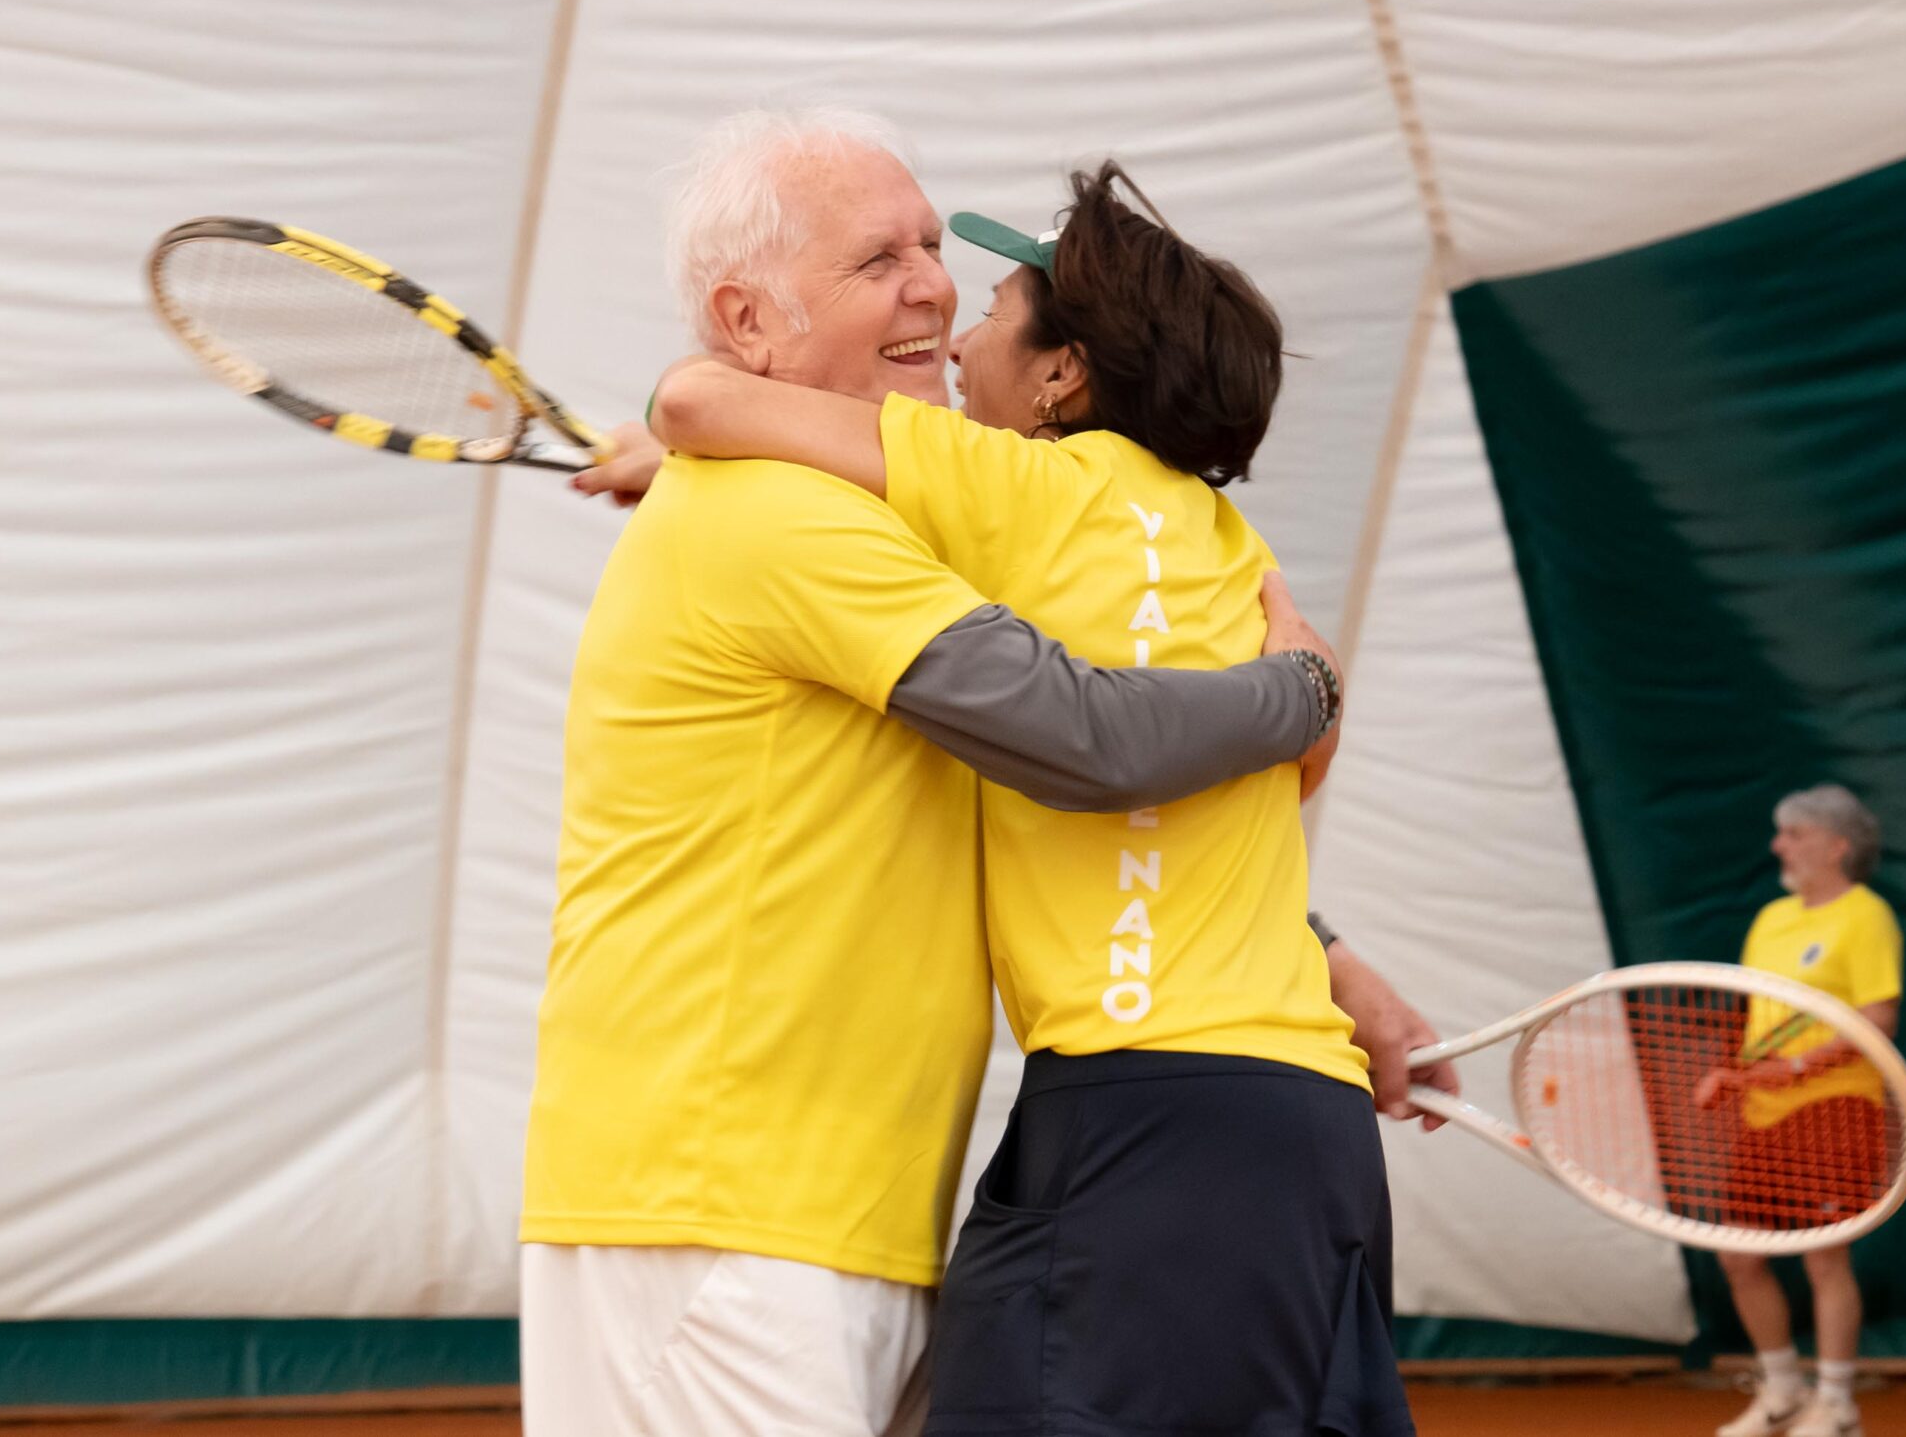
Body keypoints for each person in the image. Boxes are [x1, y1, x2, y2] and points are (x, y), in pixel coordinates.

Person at [522, 108, 1348, 1437]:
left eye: (930, 248)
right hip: (714, 1213)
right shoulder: (774, 510)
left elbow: (1072, 823)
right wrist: (1301, 689)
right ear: (745, 319)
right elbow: (1085, 734)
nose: (933, 287)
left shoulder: (916, 524)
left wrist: (1327, 953)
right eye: (878, 260)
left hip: (837, 1219)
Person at [1702, 786, 1902, 1437]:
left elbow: (1877, 1020)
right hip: (1764, 1112)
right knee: (1739, 1256)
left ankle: (1837, 1404)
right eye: (1780, 832)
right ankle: (1783, 1393)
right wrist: (1732, 1073)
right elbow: (1758, 1016)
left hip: (1835, 1107)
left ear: (1838, 846)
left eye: (1794, 834)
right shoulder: (1771, 918)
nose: (1778, 845)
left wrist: (1795, 1068)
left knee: (1824, 1258)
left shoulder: (1866, 915)